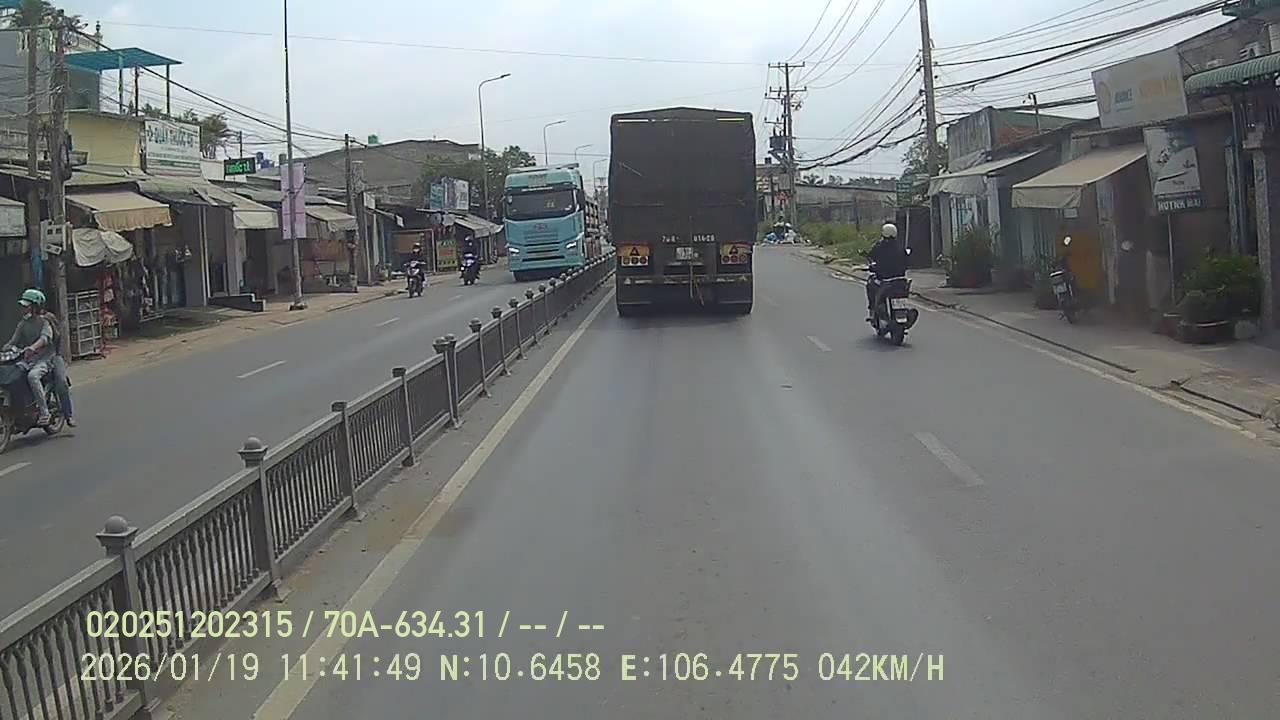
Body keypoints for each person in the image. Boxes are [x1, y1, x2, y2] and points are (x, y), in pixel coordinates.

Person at [3, 288, 56, 425]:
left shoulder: (45, 322)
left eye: (26, 306)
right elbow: (13, 341)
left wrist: (33, 347)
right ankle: (21, 408)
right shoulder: (23, 323)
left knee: (32, 376)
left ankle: (44, 412)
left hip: (44, 359)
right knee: (12, 375)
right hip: (27, 359)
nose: (23, 308)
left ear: (35, 307)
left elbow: (45, 338)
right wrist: (6, 347)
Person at [41, 306, 75, 427]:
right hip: (35, 357)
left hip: (53, 356)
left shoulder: (48, 318)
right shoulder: (26, 321)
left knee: (61, 382)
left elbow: (56, 337)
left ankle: (68, 415)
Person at [866, 223, 909, 317]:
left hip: (885, 280)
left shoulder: (880, 246)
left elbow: (872, 256)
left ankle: (872, 308)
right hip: (900, 280)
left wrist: (872, 267)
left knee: (870, 283)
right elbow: (908, 261)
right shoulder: (900, 246)